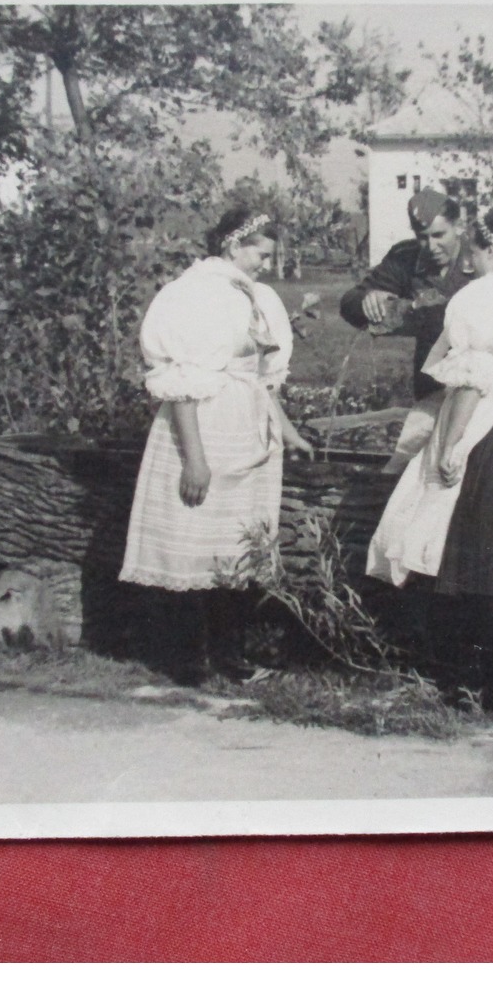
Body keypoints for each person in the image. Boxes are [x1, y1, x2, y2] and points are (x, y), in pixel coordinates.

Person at [365, 210, 493, 713]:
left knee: (479, 553)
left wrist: (448, 445)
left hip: (486, 425)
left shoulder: (484, 295)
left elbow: (471, 376)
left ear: (478, 247)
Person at [119, 208, 314, 683]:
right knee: (194, 542)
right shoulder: (195, 294)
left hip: (247, 426)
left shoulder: (256, 295)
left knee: (236, 546)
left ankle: (232, 658)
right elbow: (183, 382)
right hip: (204, 426)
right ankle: (188, 661)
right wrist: (195, 459)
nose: (267, 264)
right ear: (233, 245)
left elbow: (262, 380)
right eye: (261, 254)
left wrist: (285, 428)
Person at [339, 188, 474, 401]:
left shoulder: (481, 257)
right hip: (431, 383)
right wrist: (370, 299)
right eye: (422, 237)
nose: (431, 246)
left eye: (439, 235)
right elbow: (349, 303)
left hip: (480, 381)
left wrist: (417, 312)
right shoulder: (406, 257)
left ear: (459, 227)